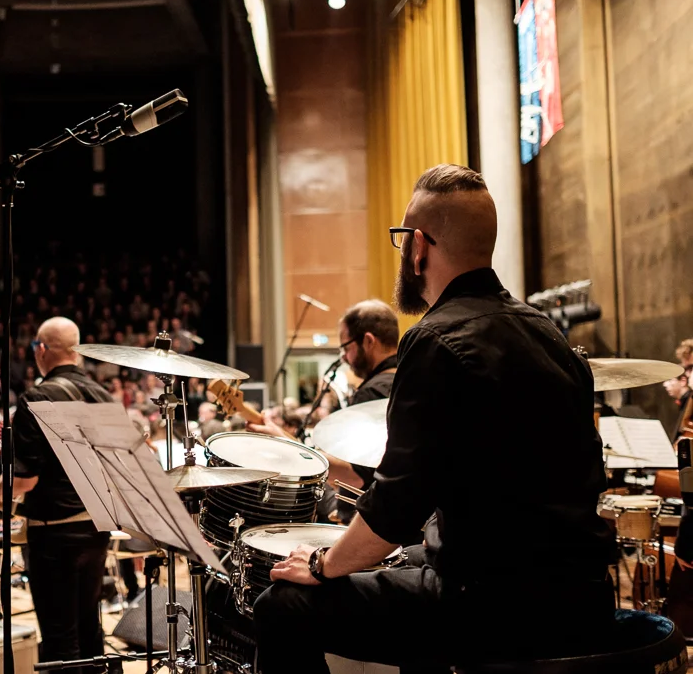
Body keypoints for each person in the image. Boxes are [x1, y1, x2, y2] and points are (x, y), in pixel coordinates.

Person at [253, 164, 615, 673]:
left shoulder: (434, 339)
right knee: (411, 558)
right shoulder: (550, 336)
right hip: (584, 595)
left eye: (402, 239)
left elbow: (395, 509)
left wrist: (322, 562)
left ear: (419, 246)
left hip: (493, 608)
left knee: (281, 606)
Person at [0, 317, 113, 671]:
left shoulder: (37, 398)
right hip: (97, 529)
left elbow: (24, 482)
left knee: (60, 639)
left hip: (55, 535)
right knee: (89, 629)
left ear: (41, 351)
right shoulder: (103, 396)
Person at [250, 300, 400, 524]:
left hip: (364, 520)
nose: (344, 358)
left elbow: (355, 476)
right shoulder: (404, 382)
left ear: (368, 341)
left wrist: (287, 445)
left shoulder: (371, 393)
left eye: (346, 348)